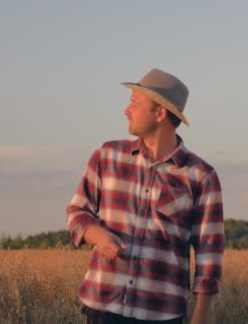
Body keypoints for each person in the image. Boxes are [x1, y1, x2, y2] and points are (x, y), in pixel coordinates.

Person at [66, 68, 224, 324]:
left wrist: (201, 318)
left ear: (160, 113)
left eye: (135, 103)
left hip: (162, 314)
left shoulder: (201, 176)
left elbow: (210, 255)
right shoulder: (106, 155)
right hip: (103, 307)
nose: (126, 110)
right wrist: (99, 236)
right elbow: (77, 212)